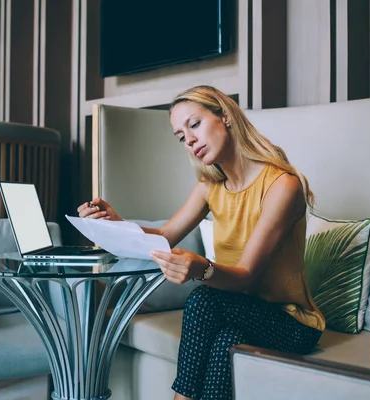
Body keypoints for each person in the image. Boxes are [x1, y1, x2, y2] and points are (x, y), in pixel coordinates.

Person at [77, 85, 325, 400]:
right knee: (226, 343)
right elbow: (165, 237)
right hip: (238, 315)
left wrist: (201, 269)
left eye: (194, 125)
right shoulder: (210, 187)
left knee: (203, 300)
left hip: (292, 323)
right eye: (181, 136)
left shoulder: (282, 186)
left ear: (225, 117)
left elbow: (246, 275)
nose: (190, 140)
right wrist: (116, 224)